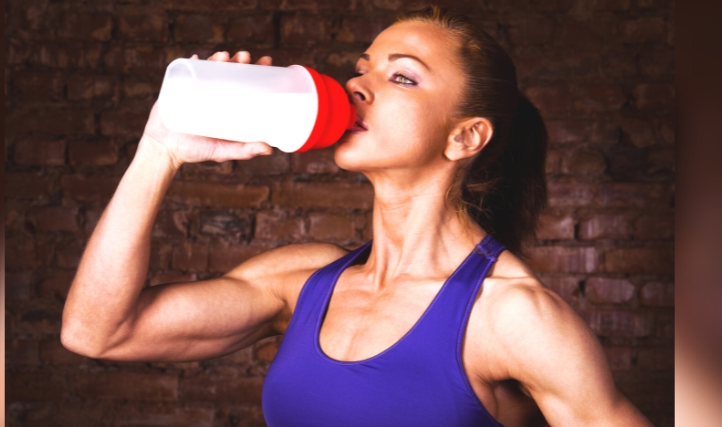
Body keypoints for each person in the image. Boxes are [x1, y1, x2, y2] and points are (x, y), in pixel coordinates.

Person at [62, 5, 652, 427]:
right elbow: (97, 332)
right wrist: (159, 149)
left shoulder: (511, 315)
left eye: (401, 76)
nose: (358, 84)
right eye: (364, 66)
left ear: (465, 136)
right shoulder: (301, 283)